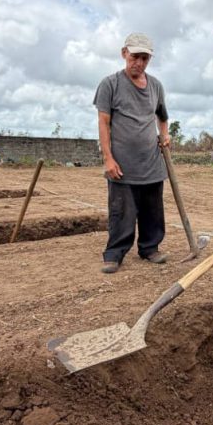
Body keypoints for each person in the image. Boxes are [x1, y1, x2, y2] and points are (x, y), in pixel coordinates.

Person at [93, 32, 171, 274]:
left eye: (145, 58)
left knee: (153, 211)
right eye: (135, 56)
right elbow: (103, 123)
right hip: (122, 166)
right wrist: (108, 158)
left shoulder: (156, 86)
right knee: (121, 213)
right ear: (124, 53)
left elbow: (163, 116)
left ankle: (150, 248)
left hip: (151, 163)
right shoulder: (110, 84)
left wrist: (165, 134)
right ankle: (114, 254)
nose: (139, 62)